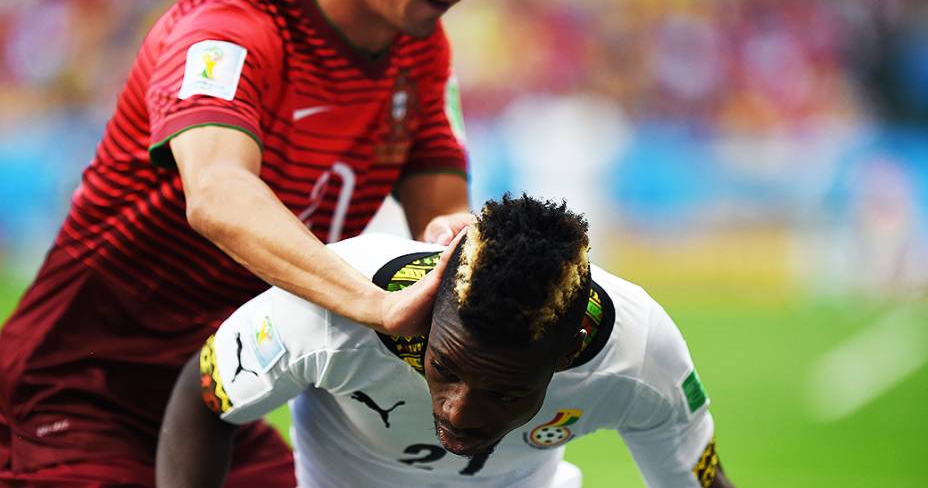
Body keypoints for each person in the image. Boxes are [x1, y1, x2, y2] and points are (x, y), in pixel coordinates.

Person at [0, 0, 481, 484]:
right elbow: (217, 194)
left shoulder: (420, 49)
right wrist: (375, 303)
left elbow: (440, 224)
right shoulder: (228, 24)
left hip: (214, 389)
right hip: (80, 385)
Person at [157, 195, 736, 488]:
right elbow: (203, 397)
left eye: (505, 393)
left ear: (566, 355)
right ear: (430, 313)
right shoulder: (333, 311)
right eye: (446, 368)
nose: (460, 410)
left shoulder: (642, 356)